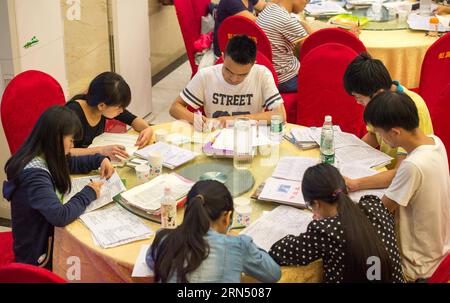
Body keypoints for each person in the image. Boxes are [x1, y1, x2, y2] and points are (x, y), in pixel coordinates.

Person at [2, 106, 114, 269]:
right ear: (56, 139)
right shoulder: (35, 177)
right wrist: (88, 193)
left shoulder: (43, 153)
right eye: (71, 140)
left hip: (47, 236)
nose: (72, 145)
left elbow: (69, 163)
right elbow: (60, 216)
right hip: (38, 254)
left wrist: (99, 160)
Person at [363, 91, 450, 282]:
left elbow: (380, 211)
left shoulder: (412, 166)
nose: (380, 139)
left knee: (356, 252)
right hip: (440, 251)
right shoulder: (436, 142)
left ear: (395, 132)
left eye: (380, 133)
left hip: (415, 265)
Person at [269, 163, 404, 283]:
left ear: (316, 203)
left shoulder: (326, 231)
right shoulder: (374, 205)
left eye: (311, 206)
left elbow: (279, 252)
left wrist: (321, 224)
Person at [146, 180, 281, 283]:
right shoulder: (237, 246)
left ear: (189, 210)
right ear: (226, 218)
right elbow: (273, 274)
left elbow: (150, 261)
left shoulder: (163, 237)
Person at [342, 52, 433, 192]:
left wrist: (355, 183)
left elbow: (401, 173)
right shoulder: (381, 101)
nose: (358, 103)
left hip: (406, 186)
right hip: (386, 173)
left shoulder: (408, 109)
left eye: (359, 98)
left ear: (377, 93)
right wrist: (349, 155)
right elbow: (373, 136)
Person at [170, 35, 286, 128]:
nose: (234, 78)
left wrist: (235, 120)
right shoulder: (206, 76)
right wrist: (198, 120)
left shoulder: (262, 74)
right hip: (215, 136)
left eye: (243, 75)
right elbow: (175, 108)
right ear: (223, 57)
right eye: (228, 71)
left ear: (253, 64)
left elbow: (280, 115)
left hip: (250, 137)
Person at [66, 72, 154, 161]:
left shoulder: (103, 106)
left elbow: (133, 119)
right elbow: (63, 152)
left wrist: (147, 129)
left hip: (92, 160)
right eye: (119, 107)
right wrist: (101, 150)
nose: (122, 110)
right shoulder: (73, 114)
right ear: (101, 105)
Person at [256, 0, 309, 93]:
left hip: (268, 73)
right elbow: (314, 47)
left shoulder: (270, 9)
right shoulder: (287, 21)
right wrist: (306, 25)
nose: (307, 3)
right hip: (285, 80)